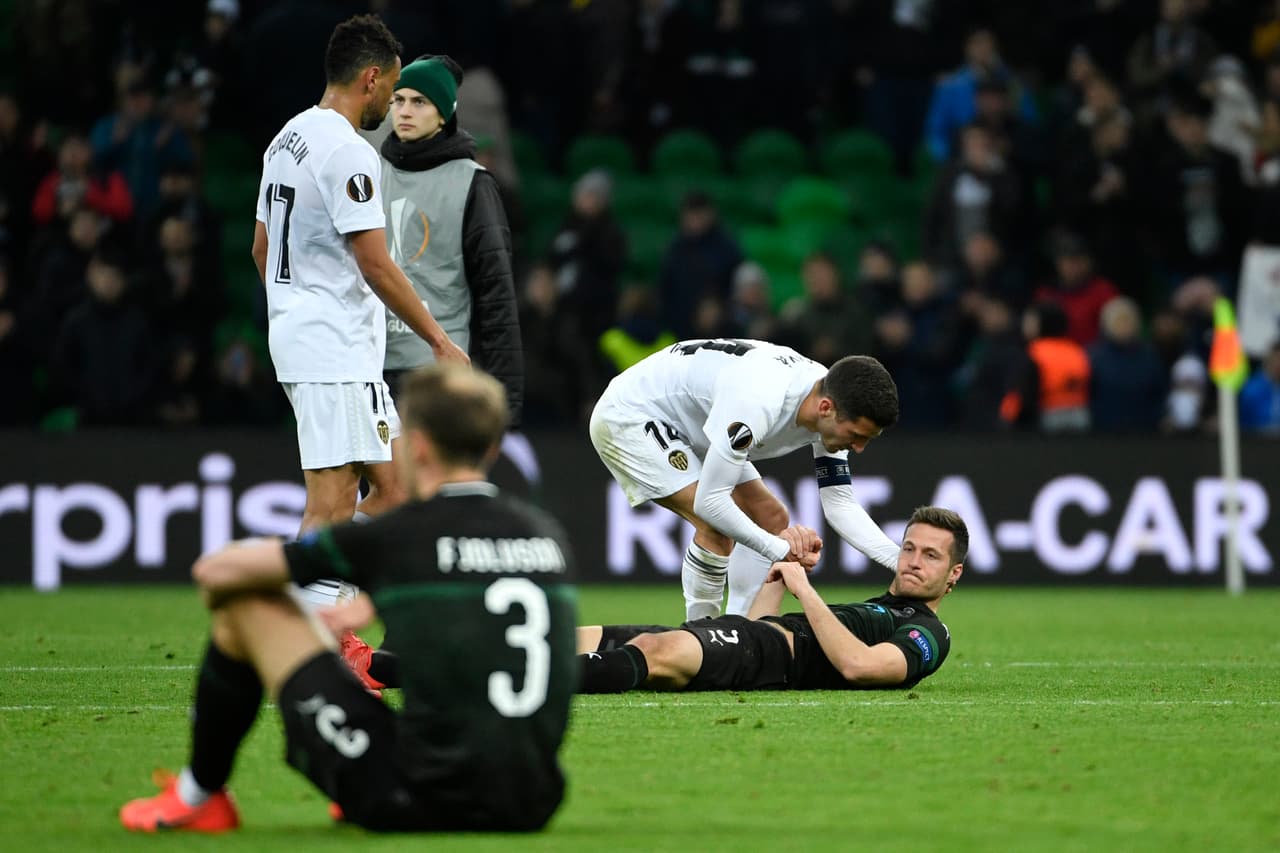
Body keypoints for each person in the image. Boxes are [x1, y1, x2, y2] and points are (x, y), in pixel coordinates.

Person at [119, 363, 578, 833]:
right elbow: (463, 584)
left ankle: (199, 795)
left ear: (416, 447)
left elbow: (213, 574)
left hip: (416, 798)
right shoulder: (545, 532)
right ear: (494, 446)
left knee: (244, 604)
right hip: (534, 801)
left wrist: (301, 611)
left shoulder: (397, 535)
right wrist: (378, 600)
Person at [251, 14, 468, 539]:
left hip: (318, 341)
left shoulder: (287, 138)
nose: (392, 106)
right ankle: (302, 609)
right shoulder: (349, 151)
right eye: (393, 89)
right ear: (371, 78)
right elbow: (374, 263)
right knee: (332, 502)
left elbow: (260, 248)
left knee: (396, 491)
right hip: (333, 348)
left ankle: (320, 600)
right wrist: (438, 339)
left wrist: (292, 307)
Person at [589, 338, 902, 622]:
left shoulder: (830, 394)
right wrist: (778, 549)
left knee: (770, 516)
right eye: (857, 436)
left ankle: (741, 632)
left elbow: (839, 503)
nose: (859, 449)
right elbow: (710, 503)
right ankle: (703, 641)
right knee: (715, 525)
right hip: (633, 413)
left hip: (699, 421)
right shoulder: (758, 403)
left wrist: (898, 561)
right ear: (826, 408)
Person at [577, 506, 965, 694]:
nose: (913, 562)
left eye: (930, 556)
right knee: (585, 635)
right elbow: (764, 627)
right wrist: (784, 568)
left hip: (764, 656)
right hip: (750, 641)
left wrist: (804, 590)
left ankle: (544, 685)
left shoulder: (929, 633)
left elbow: (859, 666)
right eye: (909, 548)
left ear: (954, 573)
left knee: (651, 649)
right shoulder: (879, 606)